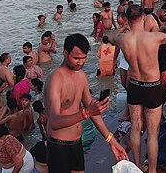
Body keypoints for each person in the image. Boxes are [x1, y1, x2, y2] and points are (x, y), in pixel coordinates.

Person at [44, 33, 128, 173]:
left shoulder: (81, 76)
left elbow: (93, 112)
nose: (80, 62)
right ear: (65, 53)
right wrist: (86, 113)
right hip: (59, 146)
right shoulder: (56, 79)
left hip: (77, 143)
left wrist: (112, 141)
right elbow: (54, 121)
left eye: (84, 58)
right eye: (76, 58)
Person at [114, 5, 166, 172]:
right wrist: (164, 27)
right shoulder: (154, 37)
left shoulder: (123, 39)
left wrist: (123, 27)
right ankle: (152, 169)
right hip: (152, 87)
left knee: (136, 126)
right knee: (152, 132)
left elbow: (113, 36)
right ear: (143, 17)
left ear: (128, 20)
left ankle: (136, 165)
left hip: (134, 85)